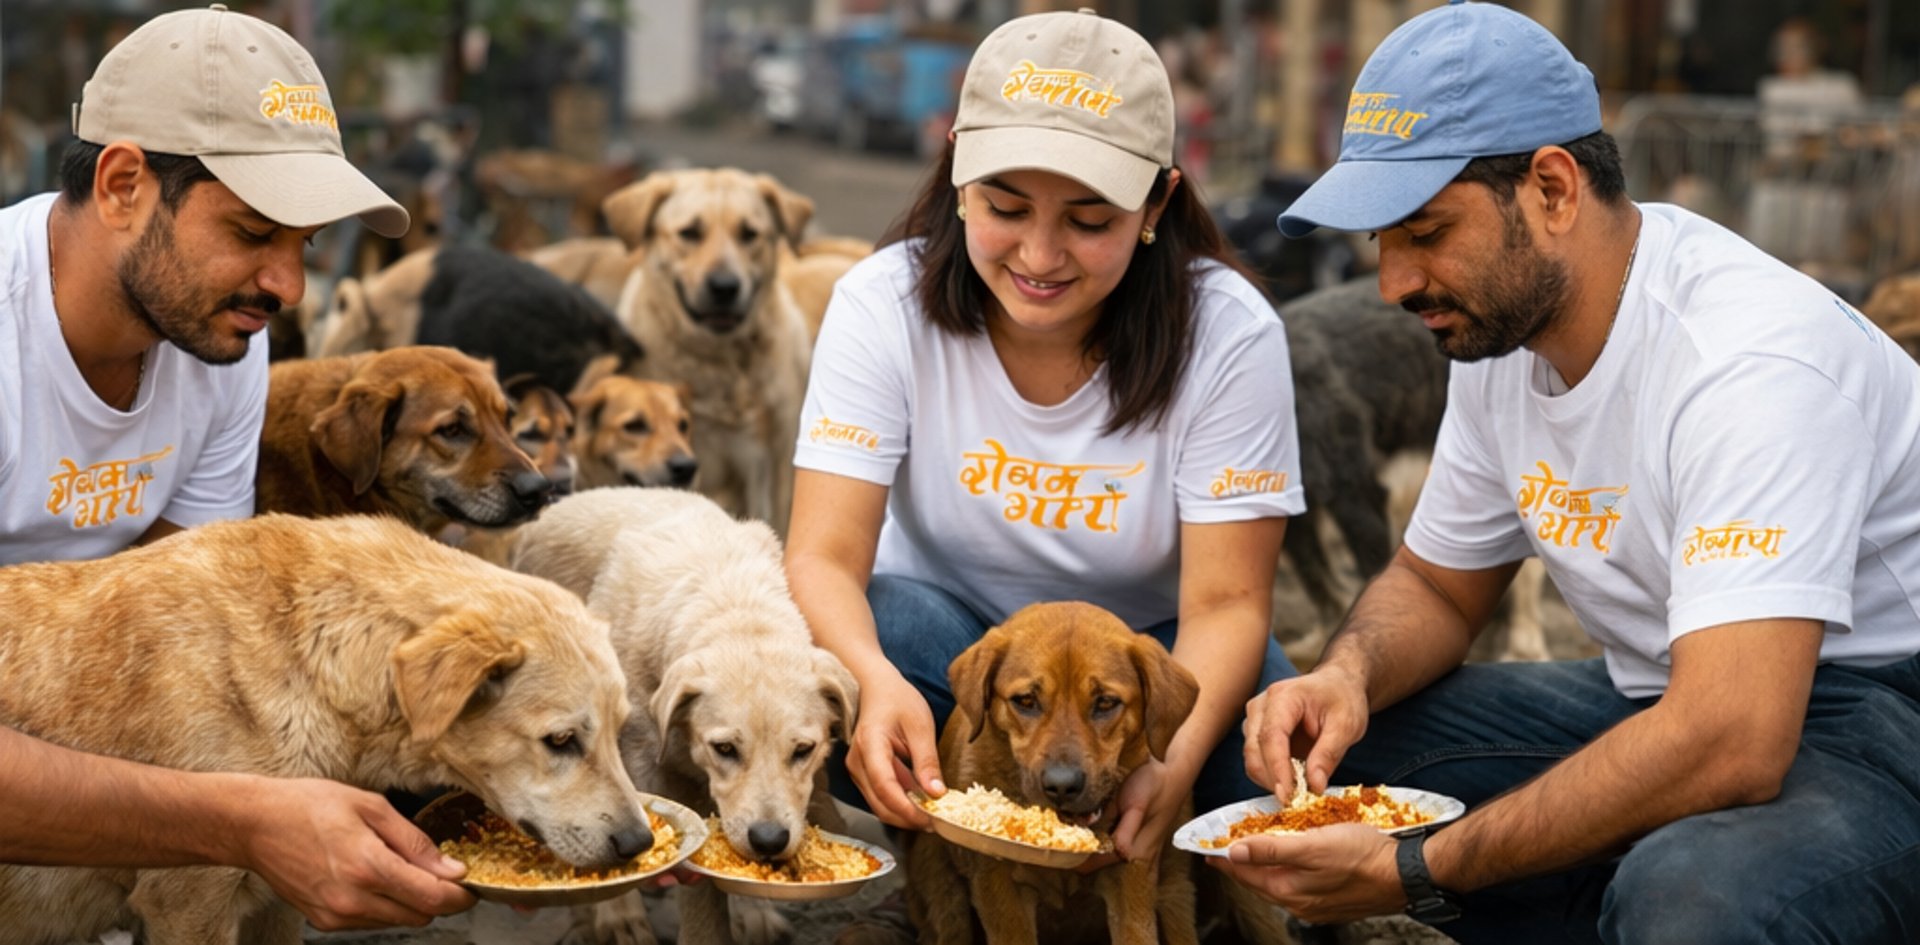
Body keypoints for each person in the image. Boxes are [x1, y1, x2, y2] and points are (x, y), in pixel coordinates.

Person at [1222, 2, 1920, 943]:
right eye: (1381, 242)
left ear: (1553, 189)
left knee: (1694, 901)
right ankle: (1612, 892)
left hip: (1875, 716)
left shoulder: (1747, 360)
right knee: (1294, 778)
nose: (1392, 282)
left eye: (1424, 231)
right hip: (1667, 689)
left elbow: (1736, 736)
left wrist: (1419, 869)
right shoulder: (1504, 335)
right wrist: (1345, 677)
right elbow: (1436, 582)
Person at [784, 6, 1303, 898]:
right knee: (836, 663)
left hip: (1145, 673)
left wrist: (1166, 762)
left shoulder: (1228, 333)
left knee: (1264, 751)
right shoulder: (882, 305)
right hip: (944, 655)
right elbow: (823, 557)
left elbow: (1225, 605)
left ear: (1157, 205)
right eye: (1006, 206)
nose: (1039, 253)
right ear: (956, 177)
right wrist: (873, 682)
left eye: (1090, 219)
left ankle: (1153, 852)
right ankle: (956, 869)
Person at [0, 5, 473, 931]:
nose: (289, 287)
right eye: (256, 231)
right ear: (125, 183)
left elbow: (178, 633)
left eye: (303, 244)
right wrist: (243, 821)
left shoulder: (222, 342)